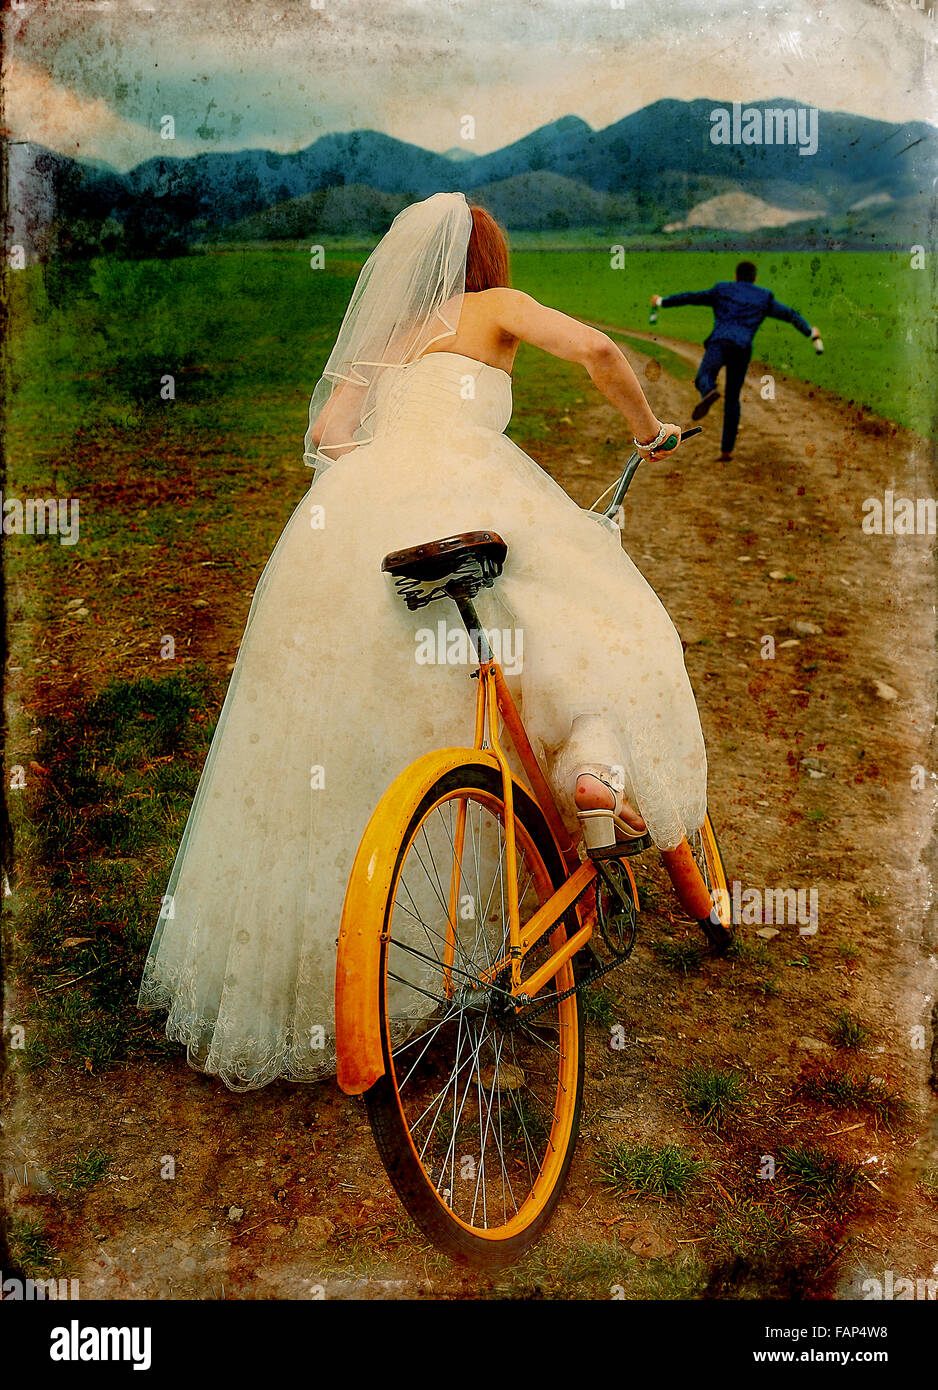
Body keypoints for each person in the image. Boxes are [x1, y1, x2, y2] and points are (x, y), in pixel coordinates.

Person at [138, 193, 709, 1090]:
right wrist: (649, 431)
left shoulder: (391, 336)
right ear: (491, 259)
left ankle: (353, 957)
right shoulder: (497, 308)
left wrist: (375, 473)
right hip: (473, 498)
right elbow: (598, 350)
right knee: (596, 620)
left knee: (356, 719)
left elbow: (328, 436)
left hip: (360, 526)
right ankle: (590, 769)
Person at [651, 261, 821, 461]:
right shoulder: (763, 296)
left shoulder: (722, 289)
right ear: (755, 278)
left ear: (736, 276)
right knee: (733, 398)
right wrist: (810, 332)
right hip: (742, 349)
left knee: (704, 377)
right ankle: (727, 450)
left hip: (720, 343)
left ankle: (709, 391)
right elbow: (789, 315)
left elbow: (691, 297)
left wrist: (662, 301)